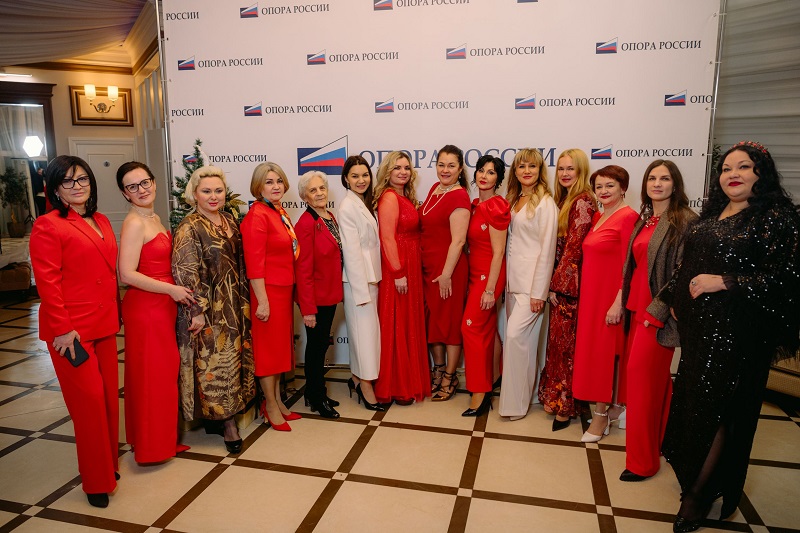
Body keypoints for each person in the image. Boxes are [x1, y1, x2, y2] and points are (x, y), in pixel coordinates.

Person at [658, 141, 799, 532]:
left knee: (721, 412)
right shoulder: (713, 213)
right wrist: (674, 298)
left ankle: (698, 496)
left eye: (744, 167)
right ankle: (696, 477)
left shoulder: (775, 216)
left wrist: (725, 281)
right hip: (699, 332)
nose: (733, 174)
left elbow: (786, 278)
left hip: (740, 333)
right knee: (695, 406)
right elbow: (689, 264)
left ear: (761, 173)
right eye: (726, 168)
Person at [30, 155, 121, 508]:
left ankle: (108, 465)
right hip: (71, 332)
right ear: (55, 189)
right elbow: (47, 282)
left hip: (104, 324)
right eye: (67, 181)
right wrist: (63, 328)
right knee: (89, 405)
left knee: (108, 401)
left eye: (82, 178)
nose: (77, 186)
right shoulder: (48, 225)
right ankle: (96, 481)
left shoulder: (101, 219)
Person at [618, 160, 696, 481]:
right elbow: (635, 268)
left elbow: (684, 272)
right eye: (652, 178)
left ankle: (642, 463)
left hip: (657, 316)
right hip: (636, 310)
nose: (657, 183)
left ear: (675, 184)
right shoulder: (646, 219)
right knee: (657, 385)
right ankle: (664, 443)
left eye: (664, 178)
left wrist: (659, 311)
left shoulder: (685, 221)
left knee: (641, 388)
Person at [172, 166, 255, 452]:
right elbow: (185, 272)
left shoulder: (229, 219)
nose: (213, 196)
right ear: (194, 194)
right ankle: (227, 424)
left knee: (234, 360)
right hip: (208, 309)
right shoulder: (189, 226)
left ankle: (231, 413)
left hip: (235, 303)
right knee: (216, 365)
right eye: (206, 191)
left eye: (218, 190)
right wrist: (196, 310)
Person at [116, 161, 193, 463]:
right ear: (125, 193)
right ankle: (152, 448)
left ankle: (162, 440)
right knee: (153, 378)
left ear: (154, 182)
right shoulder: (134, 222)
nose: (141, 190)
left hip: (161, 305)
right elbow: (126, 274)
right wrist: (171, 290)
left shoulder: (154, 217)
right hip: (147, 308)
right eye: (132, 186)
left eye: (145, 182)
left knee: (162, 376)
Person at [572, 165, 639, 442]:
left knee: (605, 355)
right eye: (599, 186)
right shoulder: (600, 216)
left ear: (623, 188)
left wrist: (618, 302)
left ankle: (601, 416)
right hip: (592, 297)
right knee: (596, 354)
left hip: (610, 298)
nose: (603, 191)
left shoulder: (628, 217)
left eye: (610, 185)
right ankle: (613, 409)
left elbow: (629, 265)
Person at [537, 149, 596, 431]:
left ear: (581, 170)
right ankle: (558, 400)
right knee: (559, 347)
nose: (564, 173)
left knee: (566, 349)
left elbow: (573, 250)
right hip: (563, 285)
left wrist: (554, 286)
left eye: (570, 168)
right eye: (561, 168)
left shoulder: (582, 201)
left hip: (569, 289)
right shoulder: (565, 199)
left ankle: (566, 406)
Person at [240, 162, 302, 431]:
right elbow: (254, 264)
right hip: (267, 293)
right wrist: (262, 300)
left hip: (282, 289)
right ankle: (270, 405)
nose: (276, 186)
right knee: (268, 352)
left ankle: (276, 400)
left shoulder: (277, 211)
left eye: (278, 181)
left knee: (278, 350)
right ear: (258, 186)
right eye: (269, 182)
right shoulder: (257, 215)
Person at [499, 148, 558, 420]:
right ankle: (527, 397)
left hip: (532, 287)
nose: (526, 171)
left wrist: (539, 293)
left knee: (515, 338)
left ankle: (516, 405)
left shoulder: (546, 203)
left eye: (532, 166)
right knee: (521, 344)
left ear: (540, 170)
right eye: (521, 166)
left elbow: (547, 250)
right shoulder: (512, 199)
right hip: (512, 284)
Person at [373, 151, 429, 405]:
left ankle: (407, 380)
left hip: (410, 264)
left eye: (406, 167)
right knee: (397, 322)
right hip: (399, 267)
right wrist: (397, 272)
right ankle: (396, 385)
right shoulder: (389, 197)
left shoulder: (405, 196)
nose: (403, 172)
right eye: (397, 168)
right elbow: (387, 238)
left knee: (408, 324)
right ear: (388, 172)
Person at [420, 145, 471, 402]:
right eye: (441, 164)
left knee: (449, 324)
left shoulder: (459, 196)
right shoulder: (434, 189)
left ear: (460, 169)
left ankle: (450, 376)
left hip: (448, 270)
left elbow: (458, 241)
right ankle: (438, 369)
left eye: (451, 165)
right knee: (433, 323)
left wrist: (446, 274)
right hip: (428, 269)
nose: (445, 170)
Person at [461, 155, 510, 416]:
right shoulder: (474, 205)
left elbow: (498, 252)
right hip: (475, 275)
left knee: (470, 328)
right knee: (487, 329)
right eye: (481, 170)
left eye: (491, 172)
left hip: (489, 277)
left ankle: (480, 393)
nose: (484, 176)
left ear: (498, 179)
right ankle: (493, 377)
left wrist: (490, 290)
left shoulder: (496, 206)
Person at [294, 171, 344, 419]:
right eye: (313, 190)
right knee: (315, 348)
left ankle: (317, 391)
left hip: (330, 294)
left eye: (322, 188)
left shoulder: (329, 216)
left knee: (321, 345)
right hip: (315, 299)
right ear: (304, 196)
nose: (319, 193)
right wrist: (308, 309)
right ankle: (315, 396)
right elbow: (302, 270)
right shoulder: (305, 224)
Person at [338, 155, 384, 411]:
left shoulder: (363, 203)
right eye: (355, 176)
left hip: (370, 277)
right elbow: (352, 253)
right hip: (358, 282)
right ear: (346, 179)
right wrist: (360, 292)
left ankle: (356, 379)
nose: (361, 180)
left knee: (366, 334)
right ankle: (366, 386)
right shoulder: (347, 206)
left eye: (364, 175)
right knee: (364, 336)